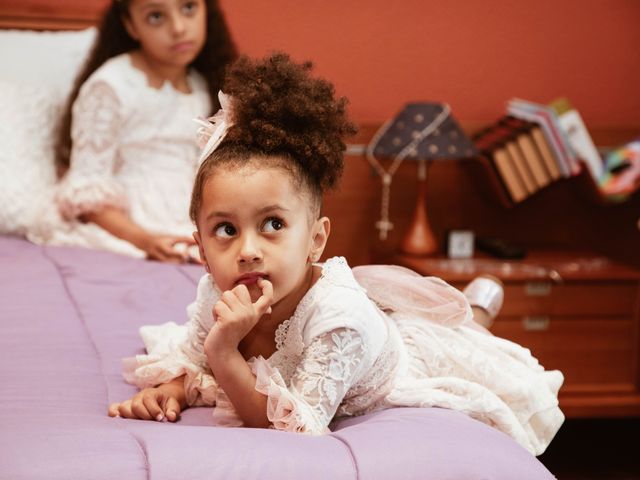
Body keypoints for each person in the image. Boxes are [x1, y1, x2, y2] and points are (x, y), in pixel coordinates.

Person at [109, 53, 564, 456]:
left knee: (462, 338)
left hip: (390, 359)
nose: (247, 251)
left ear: (316, 240)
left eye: (273, 225)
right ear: (202, 251)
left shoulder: (338, 321)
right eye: (226, 230)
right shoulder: (216, 290)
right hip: (361, 324)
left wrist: (226, 353)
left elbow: (293, 428)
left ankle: (478, 309)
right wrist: (173, 387)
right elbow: (193, 358)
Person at [26, 0, 236, 262]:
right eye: (156, 16)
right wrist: (145, 240)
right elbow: (86, 193)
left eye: (189, 8)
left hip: (191, 223)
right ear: (131, 25)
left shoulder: (204, 83)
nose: (179, 28)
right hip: (128, 227)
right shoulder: (111, 86)